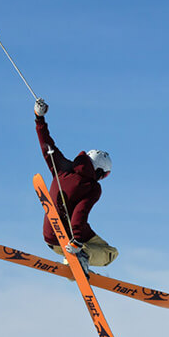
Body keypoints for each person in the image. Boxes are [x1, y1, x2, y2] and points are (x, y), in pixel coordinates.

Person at [34, 98, 117, 275]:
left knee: (90, 240)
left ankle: (76, 263)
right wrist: (77, 242)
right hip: (69, 236)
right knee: (110, 253)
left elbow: (46, 146)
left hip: (49, 235)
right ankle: (80, 259)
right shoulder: (92, 187)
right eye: (105, 175)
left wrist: (39, 118)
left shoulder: (63, 168)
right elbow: (80, 213)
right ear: (99, 171)